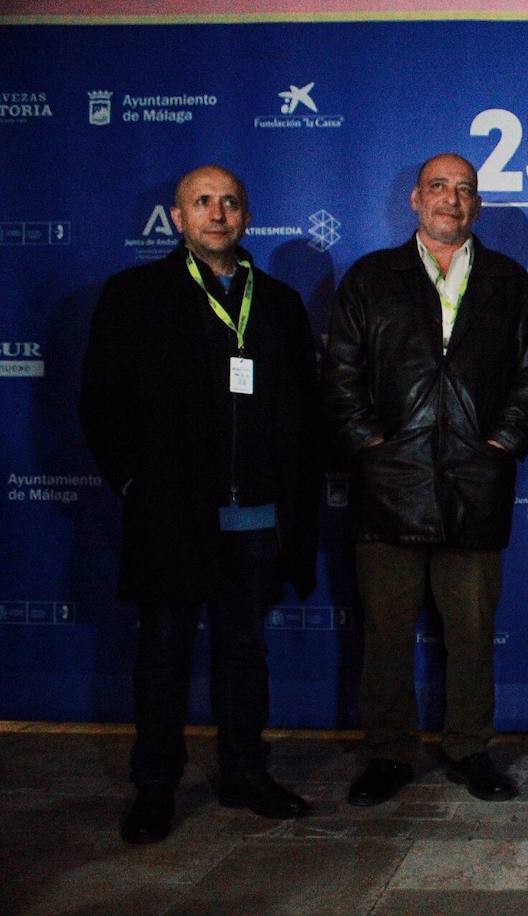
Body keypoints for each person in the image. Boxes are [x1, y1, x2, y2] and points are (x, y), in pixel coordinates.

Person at [80, 164, 321, 844]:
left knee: (245, 652)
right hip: (173, 519)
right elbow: (101, 405)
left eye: (231, 202)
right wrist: (136, 486)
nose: (218, 213)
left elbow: (304, 410)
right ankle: (155, 786)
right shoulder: (135, 296)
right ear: (179, 219)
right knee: (163, 655)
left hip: (257, 519)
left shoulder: (276, 302)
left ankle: (245, 772)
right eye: (202, 202)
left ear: (246, 216)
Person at [322, 153, 528, 806]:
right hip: (387, 488)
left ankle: (469, 749)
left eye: (465, 190)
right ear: (416, 200)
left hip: (475, 488)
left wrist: (501, 441)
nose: (452, 199)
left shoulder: (509, 283)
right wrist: (370, 443)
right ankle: (389, 754)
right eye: (439, 188)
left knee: (472, 634)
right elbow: (338, 375)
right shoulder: (371, 278)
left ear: (475, 206)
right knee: (386, 635)